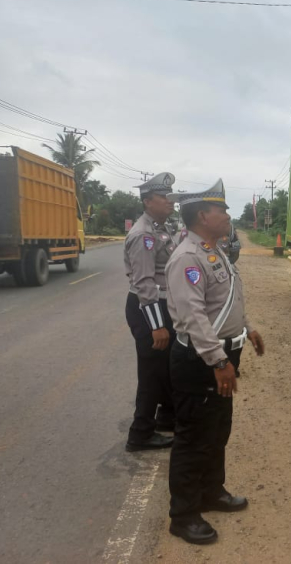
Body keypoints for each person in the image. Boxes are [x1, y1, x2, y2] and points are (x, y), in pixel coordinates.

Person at [164, 178, 265, 545]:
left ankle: (211, 491)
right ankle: (184, 514)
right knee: (193, 436)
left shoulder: (214, 249)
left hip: (221, 353)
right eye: (220, 209)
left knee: (217, 430)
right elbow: (193, 316)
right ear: (202, 215)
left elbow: (223, 303)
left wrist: (248, 329)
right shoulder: (188, 257)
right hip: (200, 358)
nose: (226, 214)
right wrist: (219, 361)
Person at [123, 172, 178, 452]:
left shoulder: (161, 227)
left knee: (164, 367)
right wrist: (157, 325)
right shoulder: (144, 234)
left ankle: (166, 418)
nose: (170, 201)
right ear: (147, 202)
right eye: (164, 197)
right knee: (151, 372)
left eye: (171, 196)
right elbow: (144, 283)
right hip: (148, 308)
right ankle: (140, 434)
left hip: (161, 305)